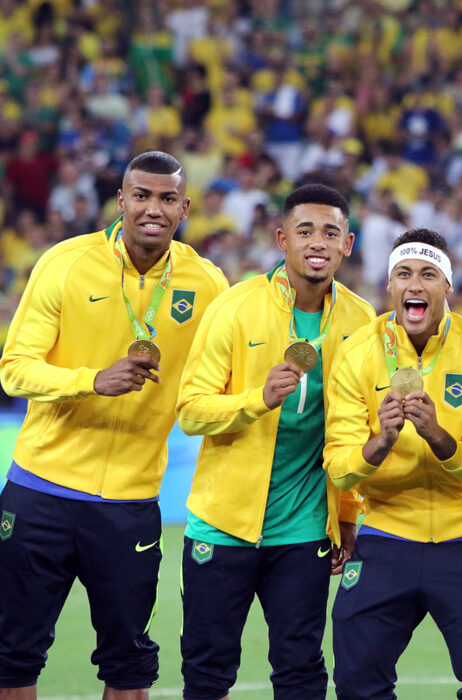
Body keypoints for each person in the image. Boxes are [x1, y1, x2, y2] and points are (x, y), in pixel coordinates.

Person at [0, 152, 228, 699]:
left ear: (184, 208)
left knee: (129, 666)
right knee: (12, 658)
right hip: (41, 491)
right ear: (121, 200)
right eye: (142, 195)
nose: (154, 208)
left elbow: (218, 384)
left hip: (129, 503)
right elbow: (14, 369)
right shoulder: (65, 263)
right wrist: (91, 380)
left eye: (167, 198)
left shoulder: (208, 284)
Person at [175, 184, 375, 700]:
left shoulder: (362, 323)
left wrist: (348, 515)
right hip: (222, 525)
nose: (318, 242)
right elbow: (191, 411)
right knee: (206, 673)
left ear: (347, 244)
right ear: (281, 238)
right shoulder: (235, 308)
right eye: (305, 230)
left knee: (301, 671)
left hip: (304, 530)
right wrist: (255, 400)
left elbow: (355, 430)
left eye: (331, 232)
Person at [324, 228, 462, 700]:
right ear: (390, 286)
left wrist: (435, 434)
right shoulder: (358, 353)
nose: (415, 285)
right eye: (404, 274)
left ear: (447, 286)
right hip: (388, 533)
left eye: (429, 274)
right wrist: (382, 441)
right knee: (356, 681)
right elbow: (339, 468)